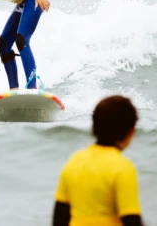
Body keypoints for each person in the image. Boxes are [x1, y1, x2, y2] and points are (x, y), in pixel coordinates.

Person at [52, 95, 144, 226]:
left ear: (94, 126)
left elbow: (59, 217)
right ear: (130, 131)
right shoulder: (123, 167)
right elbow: (131, 219)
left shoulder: (74, 161)